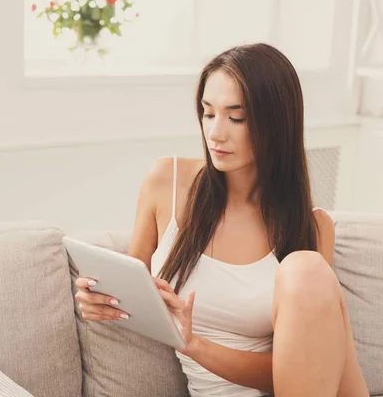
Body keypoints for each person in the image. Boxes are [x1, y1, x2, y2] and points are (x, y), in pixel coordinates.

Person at [73, 43, 369, 397]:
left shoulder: (310, 228)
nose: (215, 133)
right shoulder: (167, 181)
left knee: (305, 268)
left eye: (236, 117)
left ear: (276, 123)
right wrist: (97, 301)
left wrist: (195, 345)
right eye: (208, 113)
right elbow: (129, 288)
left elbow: (298, 371)